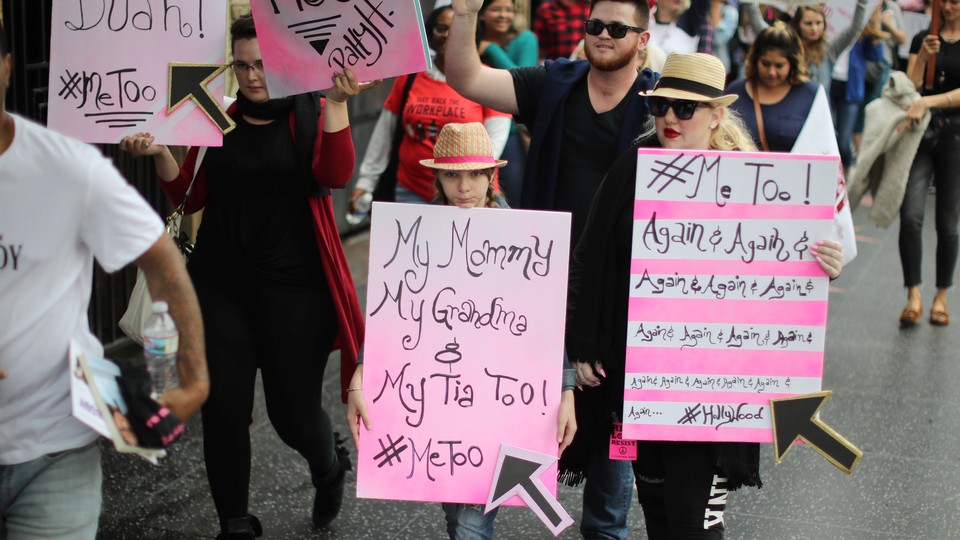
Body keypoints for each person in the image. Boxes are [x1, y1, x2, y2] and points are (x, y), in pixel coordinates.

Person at [567, 52, 845, 539]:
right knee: (655, 503)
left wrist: (827, 265)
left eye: (685, 108)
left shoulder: (754, 182)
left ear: (718, 115)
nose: (670, 118)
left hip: (714, 382)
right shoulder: (634, 167)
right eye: (661, 107)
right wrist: (586, 346)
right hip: (642, 372)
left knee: (694, 518)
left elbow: (784, 270)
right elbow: (591, 255)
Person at [119, 15, 367, 539]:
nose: (253, 77)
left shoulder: (313, 111)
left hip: (295, 292)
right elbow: (192, 193)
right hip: (220, 284)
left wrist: (340, 105)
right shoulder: (217, 112)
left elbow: (334, 175)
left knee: (292, 416)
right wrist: (162, 150)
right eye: (243, 65)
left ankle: (328, 466)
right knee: (224, 408)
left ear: (284, 62)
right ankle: (234, 523)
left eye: (263, 64)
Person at [444, 0, 657, 537]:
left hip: (619, 312)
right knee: (496, 426)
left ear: (644, 38)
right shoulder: (552, 84)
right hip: (532, 295)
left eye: (616, 28)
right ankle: (474, 522)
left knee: (614, 465)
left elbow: (721, 167)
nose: (603, 35)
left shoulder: (664, 104)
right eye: (594, 26)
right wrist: (466, 13)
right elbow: (466, 76)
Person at [0, 20, 209, 539]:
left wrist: (195, 380)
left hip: (55, 447)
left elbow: (161, 261)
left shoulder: (67, 168)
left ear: (5, 65)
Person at [346, 121, 577, 540]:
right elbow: (391, 312)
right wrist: (361, 375)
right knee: (456, 519)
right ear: (437, 177)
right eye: (452, 175)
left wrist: (565, 390)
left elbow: (545, 324)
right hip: (436, 402)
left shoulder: (524, 239)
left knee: (470, 525)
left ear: (492, 176)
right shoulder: (415, 233)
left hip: (500, 402)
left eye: (475, 174)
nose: (464, 186)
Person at [350, 5, 510, 208]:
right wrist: (366, 182)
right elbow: (385, 131)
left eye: (458, 28)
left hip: (470, 197)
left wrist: (465, 188)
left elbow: (494, 144)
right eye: (441, 28)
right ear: (430, 33)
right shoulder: (410, 77)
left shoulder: (489, 80)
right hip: (411, 191)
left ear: (473, 34)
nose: (449, 35)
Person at [897, 0, 960, 327]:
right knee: (910, 215)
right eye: (944, 1)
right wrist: (922, 56)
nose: (949, 7)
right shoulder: (923, 36)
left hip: (955, 135)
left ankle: (941, 296)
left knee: (948, 221)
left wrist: (929, 102)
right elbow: (911, 87)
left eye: (955, 2)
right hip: (920, 134)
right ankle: (913, 295)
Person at [478, 0, 539, 204]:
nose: (504, 15)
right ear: (482, 13)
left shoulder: (525, 39)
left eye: (508, 10)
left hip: (512, 132)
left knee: (511, 199)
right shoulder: (472, 41)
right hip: (476, 128)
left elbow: (523, 82)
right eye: (496, 9)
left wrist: (491, 49)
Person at [742, 0, 869, 98]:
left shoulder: (829, 50)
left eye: (818, 23)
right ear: (798, 24)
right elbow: (759, 26)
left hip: (818, 116)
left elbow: (854, 29)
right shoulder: (788, 45)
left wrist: (862, 3)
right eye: (808, 23)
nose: (814, 28)